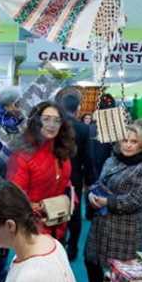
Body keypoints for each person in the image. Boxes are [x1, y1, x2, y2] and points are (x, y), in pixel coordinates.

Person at [83, 124, 142, 282]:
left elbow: (136, 200)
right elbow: (98, 183)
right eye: (125, 140)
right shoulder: (111, 160)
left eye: (134, 141)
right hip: (101, 224)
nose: (128, 145)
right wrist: (91, 195)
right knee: (92, 263)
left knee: (118, 274)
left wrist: (107, 201)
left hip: (125, 231)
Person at [7, 101, 76, 240]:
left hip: (59, 223)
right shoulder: (22, 155)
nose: (52, 125)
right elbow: (15, 197)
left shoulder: (62, 150)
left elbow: (65, 182)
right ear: (36, 122)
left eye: (57, 120)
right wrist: (41, 208)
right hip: (32, 229)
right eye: (46, 119)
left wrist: (70, 199)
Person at [56, 87, 95, 260]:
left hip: (54, 175)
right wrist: (91, 181)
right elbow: (88, 157)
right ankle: (72, 248)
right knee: (75, 212)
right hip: (75, 177)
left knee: (55, 208)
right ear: (78, 108)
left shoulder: (56, 126)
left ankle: (58, 243)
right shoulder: (83, 129)